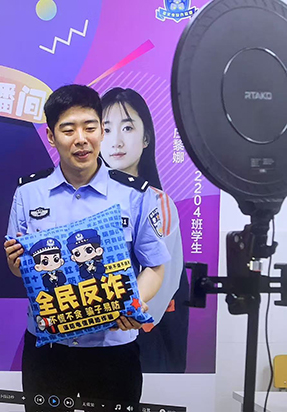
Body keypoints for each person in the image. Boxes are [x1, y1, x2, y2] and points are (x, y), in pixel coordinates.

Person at [4, 84, 170, 411]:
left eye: (90, 127)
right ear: (51, 136)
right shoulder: (28, 193)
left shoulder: (135, 194)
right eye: (68, 130)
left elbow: (155, 266)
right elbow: (20, 269)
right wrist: (16, 264)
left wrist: (132, 302)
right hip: (48, 350)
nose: (81, 139)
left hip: (113, 350)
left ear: (101, 132)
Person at [100, 87, 189, 373]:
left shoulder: (159, 203)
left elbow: (166, 278)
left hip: (139, 335)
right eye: (106, 129)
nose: (116, 141)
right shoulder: (82, 198)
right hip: (87, 339)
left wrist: (123, 315)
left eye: (127, 127)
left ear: (146, 137)